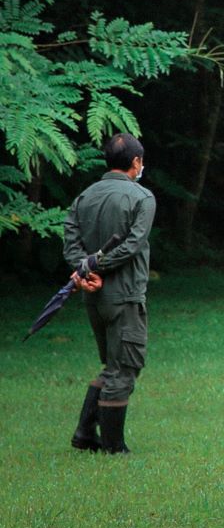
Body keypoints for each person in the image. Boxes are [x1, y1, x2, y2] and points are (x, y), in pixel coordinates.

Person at [61, 132, 155, 454]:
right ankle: (114, 447)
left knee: (112, 365)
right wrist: (97, 268)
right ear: (136, 162)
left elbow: (71, 243)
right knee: (125, 368)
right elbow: (133, 245)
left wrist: (85, 269)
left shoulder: (83, 197)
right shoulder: (142, 198)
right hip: (125, 296)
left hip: (93, 297)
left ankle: (86, 433)